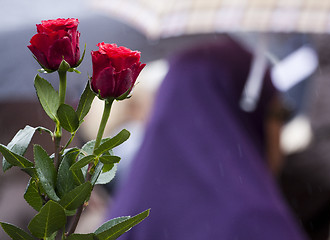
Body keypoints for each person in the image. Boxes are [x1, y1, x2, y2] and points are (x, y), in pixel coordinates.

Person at [106, 36, 308, 240]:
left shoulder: (123, 220)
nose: (281, 131)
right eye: (282, 114)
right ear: (244, 118)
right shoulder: (253, 222)